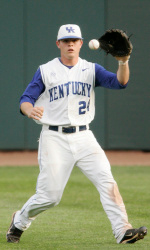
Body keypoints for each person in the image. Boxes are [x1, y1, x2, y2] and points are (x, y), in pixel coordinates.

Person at [7, 24, 147, 244]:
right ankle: (19, 220)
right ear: (58, 44)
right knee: (49, 197)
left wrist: (123, 62)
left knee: (106, 181)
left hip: (84, 137)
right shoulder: (46, 70)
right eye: (65, 40)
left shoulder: (91, 69)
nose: (70, 44)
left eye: (74, 40)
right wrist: (29, 110)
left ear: (81, 43)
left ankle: (123, 231)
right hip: (54, 137)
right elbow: (25, 99)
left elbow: (121, 82)